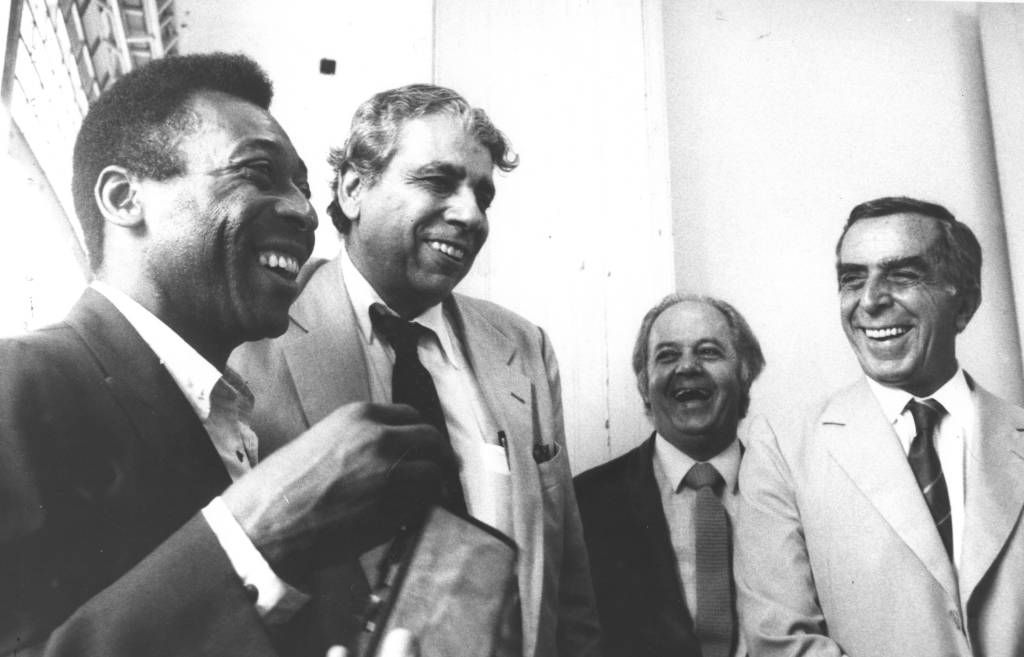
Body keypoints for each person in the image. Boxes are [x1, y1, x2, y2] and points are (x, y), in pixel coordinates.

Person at [0, 53, 452, 657]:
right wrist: (254, 536)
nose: (305, 212)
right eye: (257, 172)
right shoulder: (15, 388)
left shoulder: (240, 424)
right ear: (123, 197)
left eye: (302, 187)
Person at [230, 84, 601, 657]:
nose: (471, 215)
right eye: (437, 181)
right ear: (354, 189)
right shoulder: (252, 338)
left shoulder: (523, 347)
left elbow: (568, 578)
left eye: (483, 195)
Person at [736, 196, 1024, 657]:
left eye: (903, 275)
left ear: (965, 304)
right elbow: (781, 641)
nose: (870, 301)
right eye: (853, 279)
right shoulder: (782, 448)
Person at [574, 294, 765, 657]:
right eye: (667, 355)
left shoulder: (794, 491)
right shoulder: (585, 502)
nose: (687, 366)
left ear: (744, 375)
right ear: (644, 384)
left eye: (708, 351)